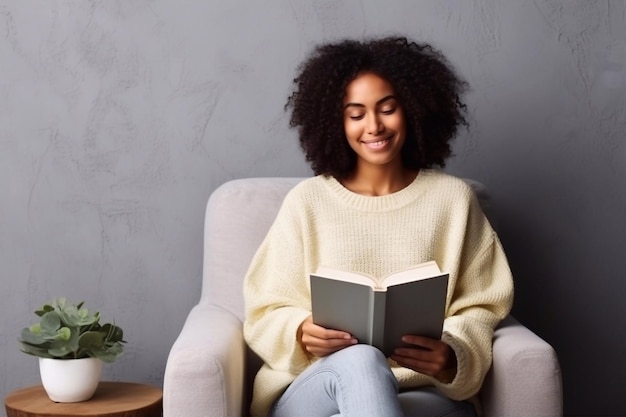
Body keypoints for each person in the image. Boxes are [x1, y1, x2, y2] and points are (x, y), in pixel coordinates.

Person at [243, 36, 514, 417]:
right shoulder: (307, 203)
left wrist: (452, 352)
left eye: (388, 109)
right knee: (361, 360)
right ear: (335, 122)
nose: (373, 126)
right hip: (317, 389)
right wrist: (300, 331)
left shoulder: (453, 201)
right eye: (356, 114)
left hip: (422, 392)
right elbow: (263, 309)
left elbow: (484, 304)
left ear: (414, 110)